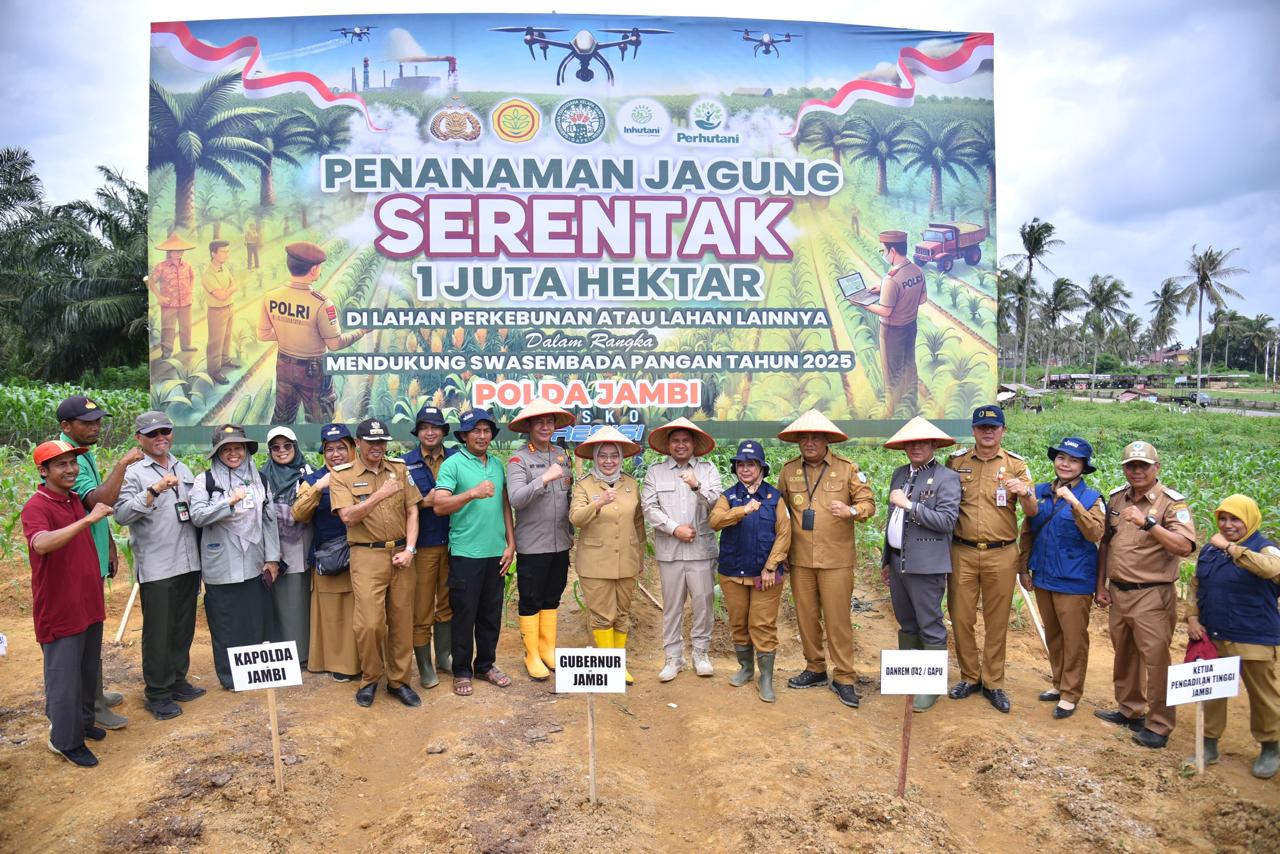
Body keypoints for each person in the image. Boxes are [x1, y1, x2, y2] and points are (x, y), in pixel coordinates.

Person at [1093, 441, 1196, 749]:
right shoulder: (1116, 499)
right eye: (1131, 465)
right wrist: (1101, 585)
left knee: (1156, 661)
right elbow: (1107, 545)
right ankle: (1130, 709)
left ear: (1156, 468)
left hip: (1153, 594)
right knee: (1125, 655)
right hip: (1119, 592)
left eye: (1143, 465)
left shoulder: (1171, 504)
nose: (1136, 471)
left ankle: (1160, 724)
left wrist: (1149, 523)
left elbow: (1184, 547)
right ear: (1124, 468)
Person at [22, 440, 113, 767]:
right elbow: (42, 544)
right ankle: (65, 740)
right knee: (64, 678)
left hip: (87, 602)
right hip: (60, 608)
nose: (71, 469)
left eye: (73, 463)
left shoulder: (74, 499)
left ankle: (85, 723)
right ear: (43, 471)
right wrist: (87, 521)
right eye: (61, 464)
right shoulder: (37, 505)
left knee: (88, 670)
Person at [777, 409, 876, 709]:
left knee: (838, 620)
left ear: (826, 440)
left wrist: (852, 512)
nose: (809, 442)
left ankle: (844, 676)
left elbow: (868, 503)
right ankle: (815, 668)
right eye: (804, 437)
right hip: (801, 560)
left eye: (815, 437)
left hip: (836, 560)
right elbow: (780, 512)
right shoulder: (788, 470)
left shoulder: (848, 469)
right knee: (806, 619)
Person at [945, 405, 1037, 714]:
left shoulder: (1016, 465)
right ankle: (970, 676)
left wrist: (1024, 492)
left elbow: (1033, 511)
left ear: (1003, 430)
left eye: (994, 427)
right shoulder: (955, 462)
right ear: (973, 430)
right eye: (982, 427)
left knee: (997, 620)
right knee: (961, 617)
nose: (988, 432)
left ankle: (994, 682)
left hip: (1001, 553)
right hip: (963, 551)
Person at [112, 412, 204, 721]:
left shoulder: (183, 467)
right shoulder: (133, 473)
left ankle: (177, 680)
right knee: (159, 631)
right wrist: (153, 491)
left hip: (189, 562)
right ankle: (158, 692)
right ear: (139, 438)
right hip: (158, 566)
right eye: (152, 434)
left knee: (182, 627)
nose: (160, 437)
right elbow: (122, 515)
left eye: (165, 431)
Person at [57, 394, 142, 730]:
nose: (95, 428)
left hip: (91, 555)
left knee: (94, 628)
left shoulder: (83, 453)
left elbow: (95, 514)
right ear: (66, 426)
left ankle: (96, 693)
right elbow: (100, 500)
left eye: (97, 421)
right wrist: (122, 465)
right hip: (76, 563)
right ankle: (91, 706)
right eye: (86, 423)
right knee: (85, 635)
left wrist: (106, 545)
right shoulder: (65, 457)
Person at [329, 418, 422, 708]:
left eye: (382, 442)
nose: (378, 448)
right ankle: (370, 678)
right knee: (369, 624)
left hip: (401, 555)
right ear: (358, 443)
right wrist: (379, 495)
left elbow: (412, 511)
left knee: (402, 620)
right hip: (366, 555)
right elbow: (348, 517)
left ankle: (399, 681)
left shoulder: (399, 469)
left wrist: (410, 549)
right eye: (371, 442)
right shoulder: (341, 475)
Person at [1186, 494, 1280, 778]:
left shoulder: (1266, 548)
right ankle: (1210, 744)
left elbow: (1272, 569)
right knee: (1212, 691)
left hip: (1253, 634)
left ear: (1250, 520)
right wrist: (1192, 616)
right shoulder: (1210, 550)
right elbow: (1196, 583)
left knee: (1263, 695)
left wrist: (1231, 548)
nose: (1228, 525)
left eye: (1235, 519)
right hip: (1214, 633)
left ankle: (1270, 746)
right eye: (1223, 519)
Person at [1018, 437, 1105, 720]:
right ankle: (1058, 683)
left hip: (1075, 580)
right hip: (1043, 576)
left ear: (1083, 467)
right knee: (1053, 635)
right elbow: (1028, 531)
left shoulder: (1092, 498)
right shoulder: (1040, 492)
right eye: (1061, 458)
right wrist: (1023, 568)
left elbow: (1095, 534)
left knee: (1074, 638)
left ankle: (1071, 693)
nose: (1065, 464)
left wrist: (1074, 503)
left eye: (1074, 460)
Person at [190, 424, 281, 690]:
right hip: (221, 564)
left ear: (246, 450)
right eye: (226, 449)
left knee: (254, 619)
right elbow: (197, 516)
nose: (233, 454)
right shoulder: (204, 481)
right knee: (226, 623)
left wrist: (272, 558)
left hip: (254, 561)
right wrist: (228, 502)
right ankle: (231, 678)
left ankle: (254, 673)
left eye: (238, 448)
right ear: (217, 453)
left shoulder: (259, 480)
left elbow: (269, 520)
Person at [433, 409, 517, 696]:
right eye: (475, 431)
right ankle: (461, 671)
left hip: (496, 552)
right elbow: (439, 505)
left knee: (490, 613)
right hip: (466, 553)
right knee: (465, 614)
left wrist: (511, 543)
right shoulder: (453, 464)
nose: (482, 436)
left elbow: (504, 504)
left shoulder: (496, 464)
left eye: (486, 431)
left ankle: (485, 665)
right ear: (465, 435)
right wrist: (472, 493)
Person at [882, 416, 961, 713]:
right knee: (906, 621)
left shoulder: (946, 478)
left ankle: (931, 687)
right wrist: (886, 559)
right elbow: (891, 522)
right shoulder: (900, 473)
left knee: (930, 625)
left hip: (926, 565)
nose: (916, 446)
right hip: (898, 561)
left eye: (922, 442)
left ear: (933, 445)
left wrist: (910, 506)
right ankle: (911, 680)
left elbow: (946, 522)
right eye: (911, 442)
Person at [709, 440, 791, 703]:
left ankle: (765, 677)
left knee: (762, 624)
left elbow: (784, 533)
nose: (745, 469)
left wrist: (771, 566)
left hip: (764, 575)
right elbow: (714, 522)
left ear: (761, 468)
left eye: (751, 464)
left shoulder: (774, 497)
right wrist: (741, 511)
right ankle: (745, 668)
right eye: (741, 465)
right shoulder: (729, 496)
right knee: (738, 622)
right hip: (732, 572)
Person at [641, 417, 723, 681]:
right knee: (672, 606)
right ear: (668, 445)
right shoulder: (656, 472)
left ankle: (701, 653)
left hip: (702, 550)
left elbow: (717, 504)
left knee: (703, 603)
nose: (680, 445)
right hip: (670, 551)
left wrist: (696, 485)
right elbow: (649, 507)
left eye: (685, 441)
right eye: (675, 441)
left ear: (693, 444)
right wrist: (674, 528)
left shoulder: (708, 470)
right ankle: (673, 658)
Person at [256, 241, 366, 424]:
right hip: (313, 370)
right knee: (321, 424)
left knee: (282, 419)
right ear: (314, 269)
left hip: (283, 364)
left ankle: (276, 450)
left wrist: (290, 332)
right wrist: (361, 332)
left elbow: (263, 334)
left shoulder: (271, 297)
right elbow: (335, 343)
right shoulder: (321, 303)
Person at [506, 399, 576, 681]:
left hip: (560, 542)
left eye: (549, 422)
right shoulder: (519, 459)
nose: (545, 427)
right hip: (533, 545)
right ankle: (531, 654)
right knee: (531, 599)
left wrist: (571, 534)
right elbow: (516, 499)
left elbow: (569, 498)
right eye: (539, 422)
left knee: (552, 596)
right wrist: (543, 479)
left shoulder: (562, 455)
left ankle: (548, 650)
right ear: (529, 427)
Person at [569, 425, 645, 685]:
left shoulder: (631, 484)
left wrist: (640, 557)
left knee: (622, 613)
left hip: (627, 560)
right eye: (603, 456)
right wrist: (598, 502)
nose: (609, 461)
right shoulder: (584, 486)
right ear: (595, 458)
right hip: (595, 562)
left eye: (614, 456)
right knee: (602, 615)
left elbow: (638, 524)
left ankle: (618, 663)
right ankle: (609, 669)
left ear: (621, 458)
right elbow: (576, 518)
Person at [292, 423, 359, 681]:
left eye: (341, 448)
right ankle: (341, 664)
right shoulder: (312, 480)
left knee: (364, 612)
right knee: (334, 615)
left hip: (365, 555)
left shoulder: (362, 473)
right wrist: (320, 487)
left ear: (353, 449)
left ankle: (368, 661)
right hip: (330, 557)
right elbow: (298, 513)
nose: (335, 454)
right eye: (329, 449)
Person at [402, 406, 458, 688]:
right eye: (425, 427)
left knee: (447, 604)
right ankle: (424, 665)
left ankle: (444, 657)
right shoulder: (405, 463)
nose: (430, 432)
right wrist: (428, 500)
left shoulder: (458, 458)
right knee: (422, 607)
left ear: (443, 431)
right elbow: (402, 503)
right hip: (422, 546)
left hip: (454, 542)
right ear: (418, 432)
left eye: (435, 427)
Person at [261, 426, 315, 665]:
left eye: (287, 446)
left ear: (295, 446)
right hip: (276, 551)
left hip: (305, 547)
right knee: (283, 604)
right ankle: (288, 656)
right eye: (276, 447)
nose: (282, 451)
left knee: (302, 602)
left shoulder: (308, 472)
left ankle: (305, 653)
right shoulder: (262, 476)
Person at [860, 229, 927, 417]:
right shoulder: (917, 271)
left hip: (891, 331)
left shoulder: (891, 279)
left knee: (891, 371)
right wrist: (884, 290)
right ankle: (911, 403)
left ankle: (892, 410)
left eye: (883, 250)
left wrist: (862, 303)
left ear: (893, 251)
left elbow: (885, 311)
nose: (883, 254)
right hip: (910, 327)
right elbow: (922, 299)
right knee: (909, 365)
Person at [148, 232, 197, 358]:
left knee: (186, 326)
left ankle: (186, 346)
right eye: (175, 250)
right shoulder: (161, 267)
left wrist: (190, 291)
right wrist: (159, 297)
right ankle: (167, 351)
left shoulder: (187, 266)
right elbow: (151, 281)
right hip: (169, 303)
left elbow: (192, 277)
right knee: (168, 327)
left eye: (180, 250)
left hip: (186, 302)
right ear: (169, 252)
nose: (178, 252)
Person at [202, 239, 238, 384]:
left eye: (228, 251)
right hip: (216, 311)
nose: (227, 255)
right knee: (216, 342)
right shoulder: (208, 273)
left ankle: (225, 360)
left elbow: (234, 283)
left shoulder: (224, 268)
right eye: (223, 252)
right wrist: (230, 289)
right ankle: (214, 371)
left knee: (227, 337)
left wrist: (228, 290)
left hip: (229, 307)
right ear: (213, 253)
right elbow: (221, 295)